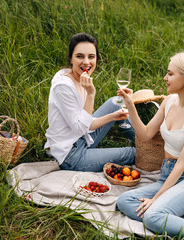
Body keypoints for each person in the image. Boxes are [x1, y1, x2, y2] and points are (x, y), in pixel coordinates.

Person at [116, 51, 184, 240]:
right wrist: (130, 105)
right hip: (166, 175)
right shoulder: (169, 101)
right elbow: (145, 135)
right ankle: (165, 220)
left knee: (152, 215)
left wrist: (155, 199)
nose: (165, 78)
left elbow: (181, 163)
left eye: (170, 74)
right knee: (124, 200)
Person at [44, 33, 135, 172]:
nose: (86, 62)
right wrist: (91, 94)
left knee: (115, 102)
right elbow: (81, 127)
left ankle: (146, 142)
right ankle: (149, 153)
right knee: (130, 153)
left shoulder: (81, 77)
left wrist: (113, 116)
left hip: (82, 137)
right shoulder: (63, 87)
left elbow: (85, 124)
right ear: (70, 58)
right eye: (80, 56)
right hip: (71, 155)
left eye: (91, 57)